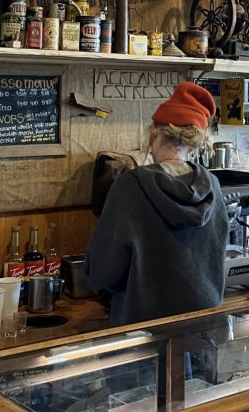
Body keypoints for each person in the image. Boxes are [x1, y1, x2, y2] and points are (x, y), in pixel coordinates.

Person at [85, 82, 229, 326]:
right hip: (202, 327)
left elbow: (103, 274)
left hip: (143, 332)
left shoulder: (131, 186)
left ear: (154, 131)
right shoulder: (212, 186)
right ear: (194, 141)